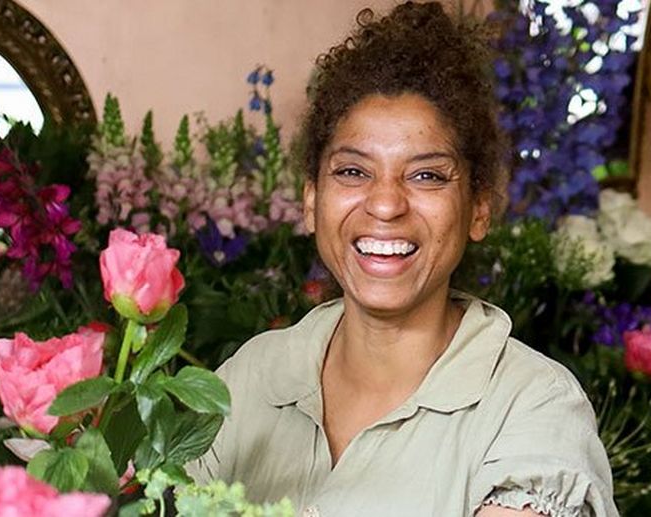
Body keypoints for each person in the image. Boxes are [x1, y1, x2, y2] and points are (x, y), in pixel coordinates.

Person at [189, 2, 618, 515]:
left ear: (479, 209)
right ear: (310, 201)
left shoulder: (532, 406)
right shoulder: (254, 375)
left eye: (427, 175)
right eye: (352, 172)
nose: (386, 204)